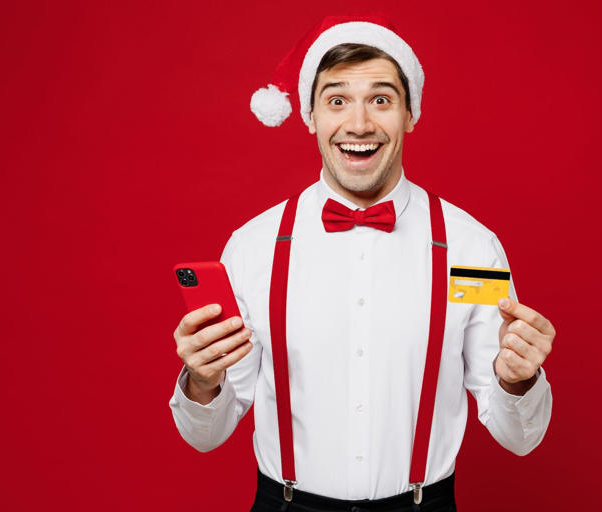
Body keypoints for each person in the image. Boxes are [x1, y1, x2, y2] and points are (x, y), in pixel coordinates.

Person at [169, 14, 555, 512]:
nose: (358, 124)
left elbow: (517, 437)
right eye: (336, 100)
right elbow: (208, 435)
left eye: (380, 99)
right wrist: (202, 382)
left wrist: (517, 380)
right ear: (309, 115)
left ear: (410, 113)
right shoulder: (253, 248)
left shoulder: (470, 250)